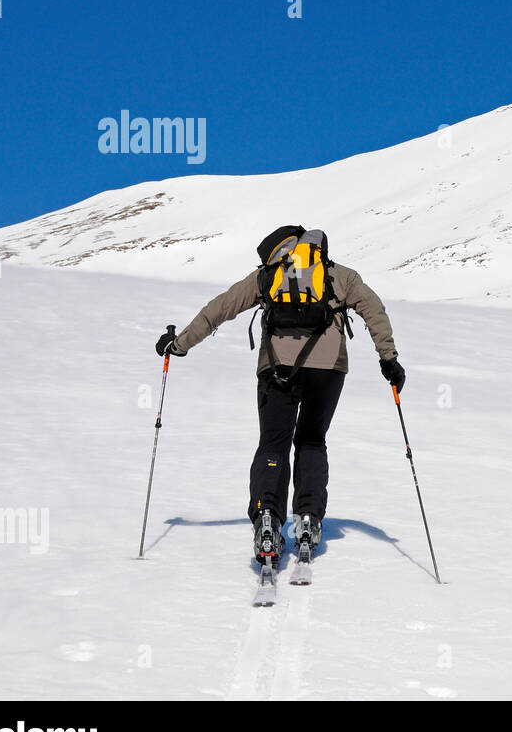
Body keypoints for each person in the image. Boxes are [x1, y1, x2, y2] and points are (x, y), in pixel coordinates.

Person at [154, 225, 406, 567]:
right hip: (328, 368)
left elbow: (221, 307)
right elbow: (373, 309)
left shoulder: (266, 276)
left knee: (273, 443)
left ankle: (268, 517)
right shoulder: (338, 275)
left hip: (275, 368)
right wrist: (388, 358)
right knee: (312, 441)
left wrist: (179, 344)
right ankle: (308, 519)